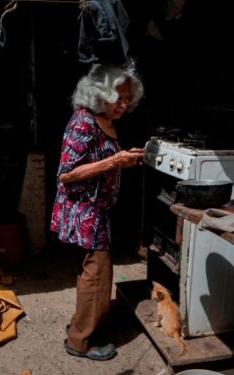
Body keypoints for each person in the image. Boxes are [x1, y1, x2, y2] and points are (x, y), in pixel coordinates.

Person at [51, 62, 144, 361]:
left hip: (97, 210)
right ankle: (81, 341)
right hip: (84, 211)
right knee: (97, 273)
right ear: (100, 94)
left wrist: (125, 160)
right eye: (120, 97)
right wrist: (114, 162)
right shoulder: (83, 122)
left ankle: (82, 324)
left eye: (129, 98)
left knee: (92, 271)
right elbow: (66, 174)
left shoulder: (105, 120)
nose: (125, 104)